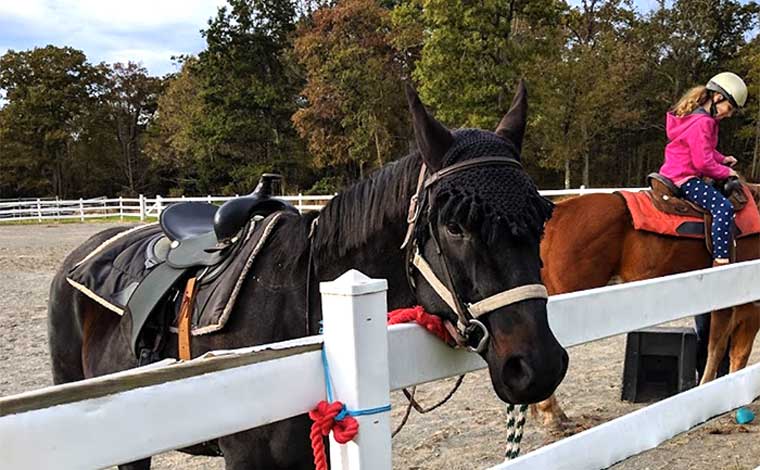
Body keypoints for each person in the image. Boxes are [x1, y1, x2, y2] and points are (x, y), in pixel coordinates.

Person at [658, 72, 748, 380]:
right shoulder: (705, 122)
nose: (729, 114)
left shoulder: (694, 119)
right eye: (730, 108)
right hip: (686, 177)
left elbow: (707, 152)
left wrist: (724, 159)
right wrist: (725, 173)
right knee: (723, 207)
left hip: (675, 170)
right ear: (718, 98)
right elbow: (701, 162)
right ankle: (721, 260)